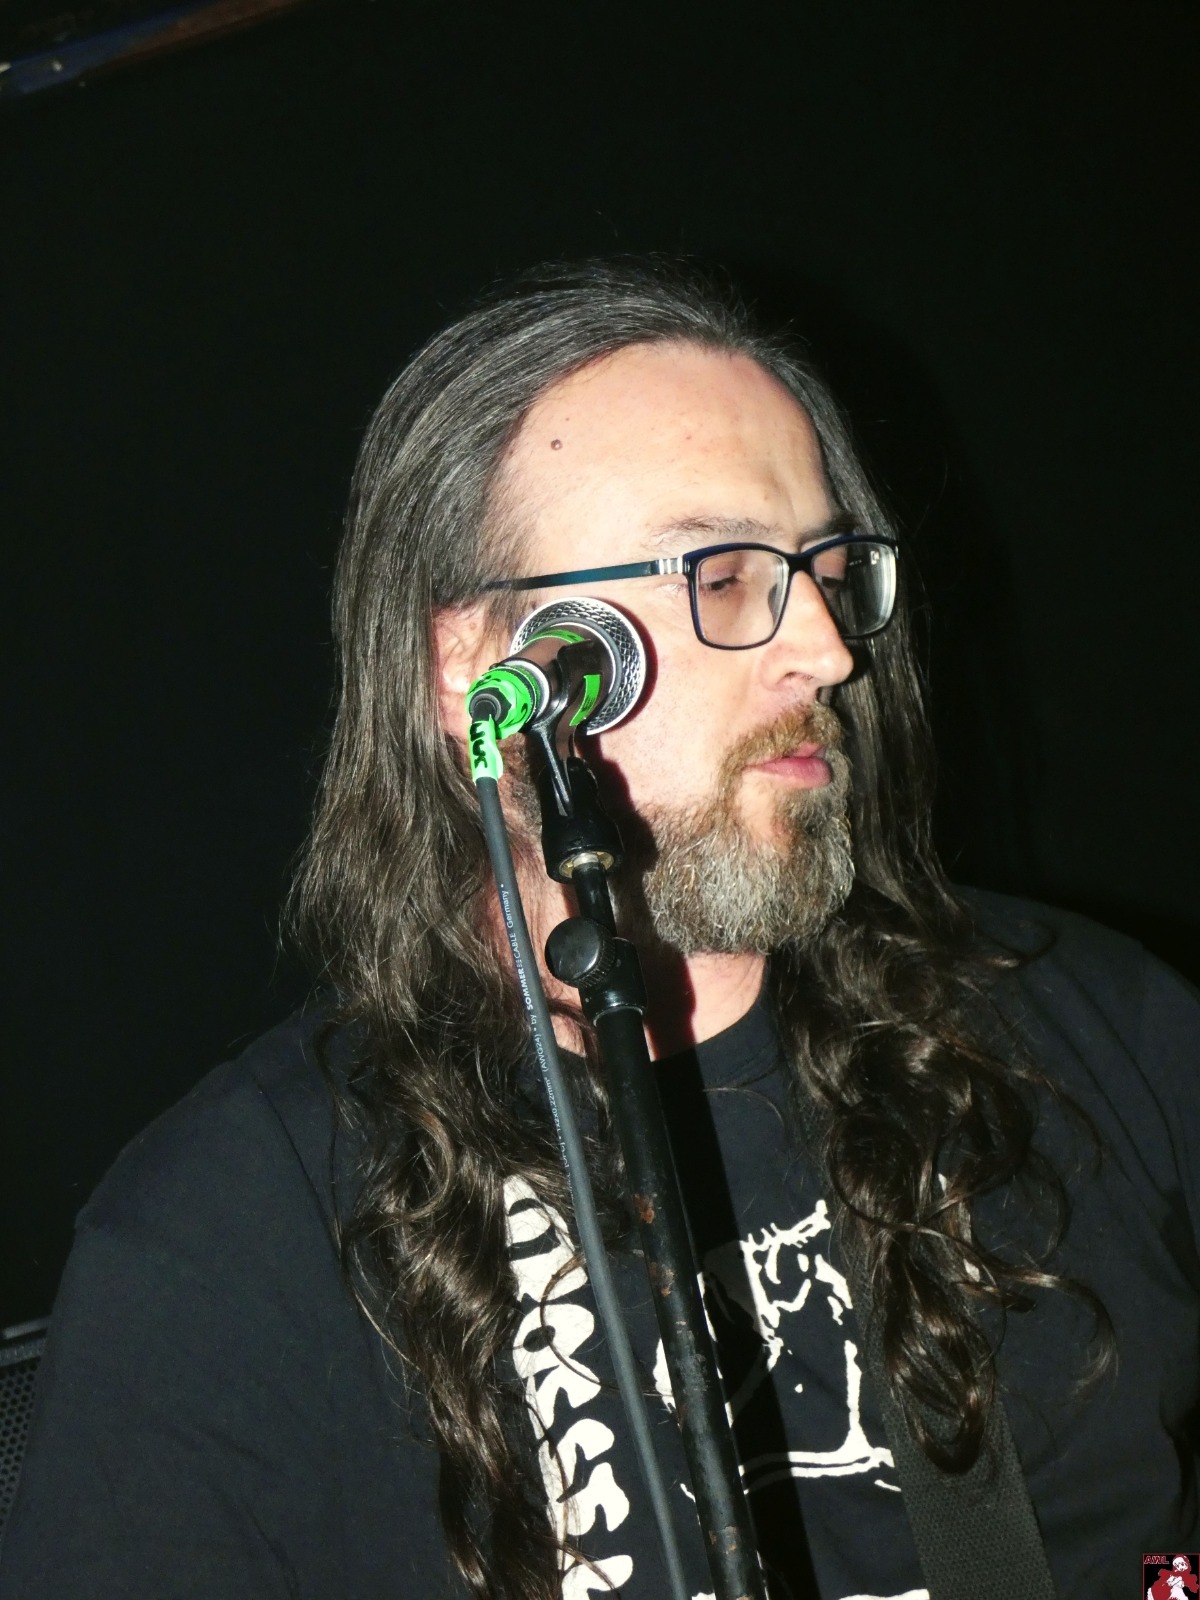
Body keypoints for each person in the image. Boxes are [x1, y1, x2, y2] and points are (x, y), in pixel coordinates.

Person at [3, 260, 1199, 1600]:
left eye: (826, 569)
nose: (824, 648)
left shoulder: (1097, 1030)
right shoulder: (226, 1245)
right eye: (722, 573)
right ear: (477, 669)